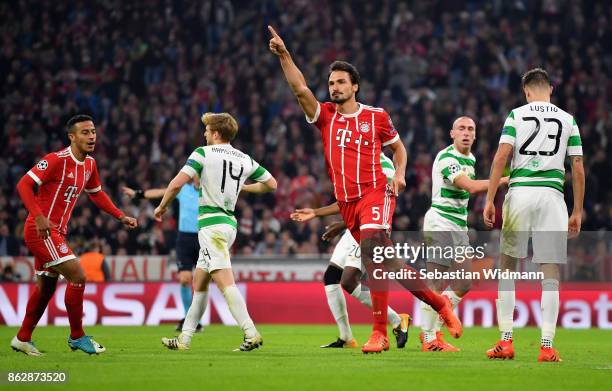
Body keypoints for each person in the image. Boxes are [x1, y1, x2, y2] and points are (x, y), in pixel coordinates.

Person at [269, 25, 461, 354]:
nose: (334, 87)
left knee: (372, 253)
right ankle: (440, 303)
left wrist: (399, 174)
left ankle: (380, 333)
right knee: (391, 264)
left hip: (376, 192)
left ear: (355, 86)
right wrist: (285, 55)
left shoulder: (376, 117)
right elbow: (300, 89)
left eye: (341, 82)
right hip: (347, 203)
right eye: (331, 82)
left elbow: (399, 150)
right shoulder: (325, 116)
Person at [11, 114, 137, 356]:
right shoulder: (56, 160)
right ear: (72, 136)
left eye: (93, 132)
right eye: (85, 132)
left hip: (57, 232)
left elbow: (97, 194)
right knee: (78, 275)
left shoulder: (90, 164)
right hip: (41, 230)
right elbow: (23, 184)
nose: (91, 136)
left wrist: (120, 216)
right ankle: (77, 336)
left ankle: (22, 338)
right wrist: (38, 216)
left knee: (46, 288)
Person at [483, 68, 585, 362]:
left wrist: (490, 199)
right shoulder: (568, 119)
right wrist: (577, 209)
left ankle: (505, 341)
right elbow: (577, 165)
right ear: (550, 88)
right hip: (553, 198)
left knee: (508, 265)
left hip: (520, 194)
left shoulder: (516, 115)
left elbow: (502, 155)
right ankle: (547, 346)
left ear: (526, 91)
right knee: (550, 270)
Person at [158, 112, 277, 352]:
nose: (203, 134)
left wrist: (162, 207)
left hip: (211, 227)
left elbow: (176, 183)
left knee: (225, 283)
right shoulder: (244, 158)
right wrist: (245, 188)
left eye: (206, 130)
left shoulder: (202, 153)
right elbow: (271, 184)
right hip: (228, 224)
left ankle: (251, 332)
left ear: (215, 133)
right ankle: (185, 339)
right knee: (199, 282)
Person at [291, 153, 410, 349]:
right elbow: (350, 202)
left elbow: (379, 200)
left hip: (371, 228)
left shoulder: (383, 163)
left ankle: (396, 320)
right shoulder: (355, 161)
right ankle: (346, 337)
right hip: (353, 226)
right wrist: (319, 214)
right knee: (331, 276)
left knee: (348, 281)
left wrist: (342, 222)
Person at [420, 116, 508, 352]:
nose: (466, 132)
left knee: (464, 282)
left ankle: (435, 328)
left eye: (470, 129)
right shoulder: (447, 157)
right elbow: (469, 186)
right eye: (461, 128)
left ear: (475, 135)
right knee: (436, 281)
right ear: (452, 133)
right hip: (439, 222)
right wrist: (503, 179)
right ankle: (428, 338)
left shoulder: (470, 158)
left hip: (458, 226)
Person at [123, 177, 203, 332]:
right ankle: (189, 319)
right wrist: (137, 194)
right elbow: (161, 192)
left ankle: (195, 319)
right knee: (185, 279)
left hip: (204, 238)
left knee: (200, 282)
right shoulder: (183, 189)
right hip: (184, 239)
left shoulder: (210, 190)